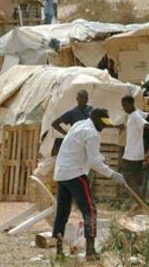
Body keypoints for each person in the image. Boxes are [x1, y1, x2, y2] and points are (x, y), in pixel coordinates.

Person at [53, 108, 126, 261]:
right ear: (96, 119)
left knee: (62, 212)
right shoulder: (92, 133)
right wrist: (112, 174)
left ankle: (58, 251)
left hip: (61, 173)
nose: (104, 127)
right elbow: (93, 163)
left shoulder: (80, 124)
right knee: (90, 211)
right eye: (103, 123)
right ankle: (90, 251)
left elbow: (82, 149)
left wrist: (100, 156)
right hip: (75, 173)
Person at [119, 95, 149, 198]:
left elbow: (147, 124)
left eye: (125, 105)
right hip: (131, 153)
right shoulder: (137, 113)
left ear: (131, 103)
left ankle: (138, 202)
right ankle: (137, 201)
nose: (124, 108)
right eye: (123, 106)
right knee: (130, 178)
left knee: (131, 179)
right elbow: (148, 115)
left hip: (133, 154)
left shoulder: (135, 115)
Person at [51, 90, 93, 156]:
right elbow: (54, 124)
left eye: (85, 98)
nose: (84, 99)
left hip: (89, 141)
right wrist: (67, 134)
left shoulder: (90, 110)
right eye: (81, 97)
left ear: (87, 99)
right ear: (77, 99)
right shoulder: (72, 112)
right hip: (77, 143)